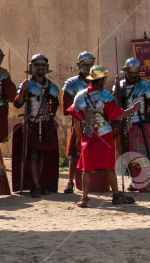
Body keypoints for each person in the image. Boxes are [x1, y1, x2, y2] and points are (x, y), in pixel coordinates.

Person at [66, 65, 140, 208]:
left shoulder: (79, 96)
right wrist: (132, 110)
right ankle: (117, 195)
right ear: (102, 80)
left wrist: (78, 138)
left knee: (87, 169)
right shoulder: (106, 96)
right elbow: (116, 115)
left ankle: (84, 198)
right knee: (108, 167)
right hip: (105, 134)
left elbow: (76, 119)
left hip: (88, 135)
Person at [13, 54, 60, 198]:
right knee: (32, 154)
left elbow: (55, 103)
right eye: (37, 65)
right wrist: (22, 92)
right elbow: (17, 104)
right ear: (32, 68)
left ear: (46, 68)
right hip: (32, 122)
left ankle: (37, 183)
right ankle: (35, 185)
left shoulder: (51, 86)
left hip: (45, 123)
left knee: (41, 154)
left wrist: (52, 117)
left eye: (42, 66)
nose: (40, 68)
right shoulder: (27, 84)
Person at [61, 51, 96, 194]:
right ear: (79, 66)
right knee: (75, 154)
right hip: (78, 123)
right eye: (85, 65)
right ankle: (70, 182)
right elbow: (66, 107)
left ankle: (95, 184)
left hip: (96, 123)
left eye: (90, 64)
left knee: (95, 153)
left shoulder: (98, 81)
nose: (88, 67)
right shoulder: (72, 83)